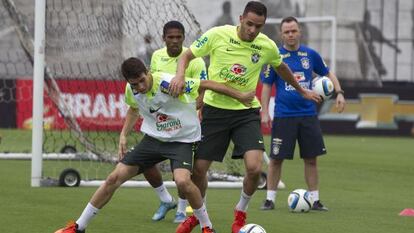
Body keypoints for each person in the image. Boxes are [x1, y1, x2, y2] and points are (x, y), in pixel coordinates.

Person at [54, 57, 255, 233]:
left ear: (148, 72)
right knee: (113, 177)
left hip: (182, 140)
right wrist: (124, 134)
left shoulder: (168, 83)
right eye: (135, 84)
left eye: (142, 80)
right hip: (152, 140)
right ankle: (78, 227)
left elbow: (207, 84)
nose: (140, 86)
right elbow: (133, 109)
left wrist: (241, 96)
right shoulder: (131, 90)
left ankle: (207, 227)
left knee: (183, 182)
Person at [170, 2, 321, 233]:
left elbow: (281, 69)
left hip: (246, 112)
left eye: (258, 26)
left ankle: (240, 212)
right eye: (249, 24)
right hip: (215, 111)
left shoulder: (266, 46)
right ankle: (199, 216)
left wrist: (302, 90)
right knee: (198, 170)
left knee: (253, 167)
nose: (252, 30)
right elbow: (187, 56)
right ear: (241, 19)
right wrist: (180, 76)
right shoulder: (217, 34)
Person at [259, 16, 346, 211]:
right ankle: (269, 199)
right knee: (276, 159)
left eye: (293, 31)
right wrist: (264, 112)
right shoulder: (275, 56)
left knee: (311, 158)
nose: (290, 34)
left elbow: (328, 73)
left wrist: (339, 92)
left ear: (299, 32)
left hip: (308, 115)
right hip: (283, 115)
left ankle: (315, 200)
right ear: (281, 34)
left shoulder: (310, 54)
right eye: (286, 32)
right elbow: (266, 86)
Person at [134, 20, 208, 224]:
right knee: (144, 163)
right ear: (163, 38)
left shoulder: (195, 60)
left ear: (184, 38)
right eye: (170, 37)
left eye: (178, 37)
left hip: (185, 124)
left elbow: (202, 89)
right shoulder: (157, 56)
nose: (175, 41)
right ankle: (166, 199)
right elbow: (152, 85)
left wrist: (197, 108)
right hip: (161, 121)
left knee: (183, 174)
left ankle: (183, 210)